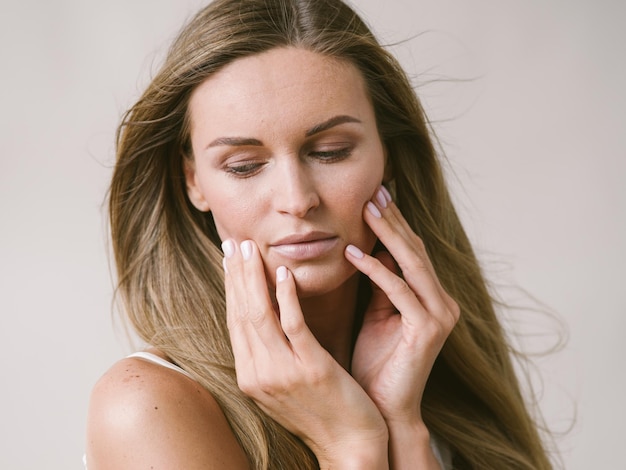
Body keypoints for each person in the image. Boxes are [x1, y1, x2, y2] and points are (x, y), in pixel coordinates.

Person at [85, 0, 555, 468]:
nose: (297, 198)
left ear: (387, 156)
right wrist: (349, 445)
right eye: (244, 166)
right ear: (193, 182)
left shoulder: (431, 373)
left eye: (331, 152)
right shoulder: (147, 408)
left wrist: (401, 426)